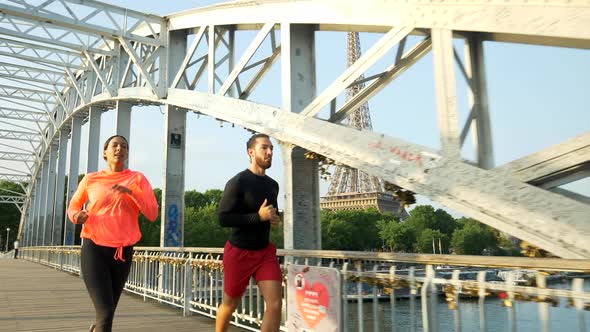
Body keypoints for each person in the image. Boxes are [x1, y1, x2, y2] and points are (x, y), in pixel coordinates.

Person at [67, 135, 158, 332]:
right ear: (105, 152)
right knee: (106, 313)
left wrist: (131, 192)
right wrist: (76, 215)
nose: (120, 148)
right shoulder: (91, 179)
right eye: (114, 145)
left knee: (108, 313)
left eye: (124, 146)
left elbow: (152, 213)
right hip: (94, 248)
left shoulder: (138, 179)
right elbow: (73, 205)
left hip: (122, 252)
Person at [216, 133, 282, 332]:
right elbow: (223, 218)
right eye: (264, 148)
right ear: (250, 152)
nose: (270, 152)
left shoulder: (273, 185)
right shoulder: (238, 182)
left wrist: (274, 218)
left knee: (275, 304)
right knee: (229, 306)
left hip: (264, 252)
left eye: (271, 148)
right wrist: (258, 217)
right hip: (239, 252)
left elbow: (271, 212)